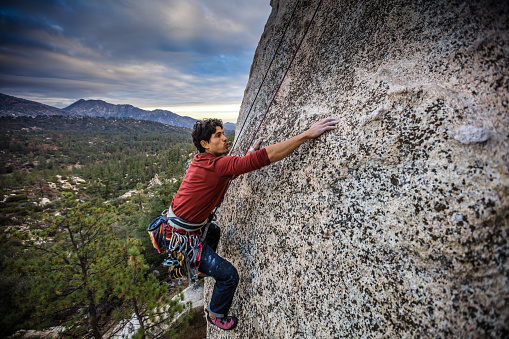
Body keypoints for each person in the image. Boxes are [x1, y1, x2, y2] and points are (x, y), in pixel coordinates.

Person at [169, 117, 338, 330]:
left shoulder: (203, 162)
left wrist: (249, 153)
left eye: (223, 133)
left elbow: (234, 168)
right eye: (218, 136)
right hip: (181, 239)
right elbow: (266, 157)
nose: (224, 138)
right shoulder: (216, 166)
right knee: (229, 276)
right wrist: (306, 134)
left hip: (178, 228)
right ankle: (214, 313)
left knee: (213, 230)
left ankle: (201, 268)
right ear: (205, 144)